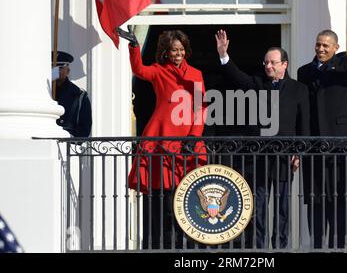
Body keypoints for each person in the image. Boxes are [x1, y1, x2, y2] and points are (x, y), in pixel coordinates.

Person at [215, 30, 310, 248]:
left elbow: (303, 124)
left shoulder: (299, 89)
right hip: (259, 157)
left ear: (284, 64)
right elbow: (236, 76)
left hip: (284, 156)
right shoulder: (257, 83)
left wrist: (299, 152)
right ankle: (258, 246)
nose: (268, 66)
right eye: (266, 62)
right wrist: (223, 55)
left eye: (273, 62)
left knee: (282, 206)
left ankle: (280, 246)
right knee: (258, 205)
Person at [117, 26, 207, 249]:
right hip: (161, 136)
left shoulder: (196, 75)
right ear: (166, 52)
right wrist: (134, 46)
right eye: (173, 50)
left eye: (181, 49)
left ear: (185, 51)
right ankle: (158, 244)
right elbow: (139, 70)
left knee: (184, 195)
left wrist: (194, 138)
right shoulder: (158, 70)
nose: (177, 53)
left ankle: (181, 243)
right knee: (161, 198)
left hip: (186, 139)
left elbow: (200, 108)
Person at [296, 20, 347, 249]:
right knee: (314, 198)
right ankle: (317, 244)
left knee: (339, 197)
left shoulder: (346, 65)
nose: (321, 49)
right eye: (318, 45)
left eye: (326, 46)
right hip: (314, 143)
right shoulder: (304, 72)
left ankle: (338, 244)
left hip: (339, 142)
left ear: (336, 47)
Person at [52, 51, 92, 137]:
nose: (56, 71)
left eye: (60, 68)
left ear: (68, 71)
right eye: (53, 68)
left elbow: (84, 129)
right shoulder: (42, 92)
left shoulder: (80, 95)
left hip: (68, 145)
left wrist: (68, 137)